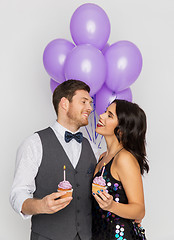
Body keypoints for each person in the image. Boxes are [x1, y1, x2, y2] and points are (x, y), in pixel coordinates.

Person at [10, 79, 99, 240]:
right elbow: (18, 194)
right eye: (84, 102)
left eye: (91, 103)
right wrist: (41, 205)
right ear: (64, 103)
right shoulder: (34, 144)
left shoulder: (93, 148)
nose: (90, 108)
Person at [92, 99, 149, 240]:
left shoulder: (124, 158)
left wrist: (111, 205)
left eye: (109, 115)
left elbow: (139, 210)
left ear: (122, 129)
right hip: (99, 234)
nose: (101, 116)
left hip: (120, 236)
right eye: (105, 111)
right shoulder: (103, 157)